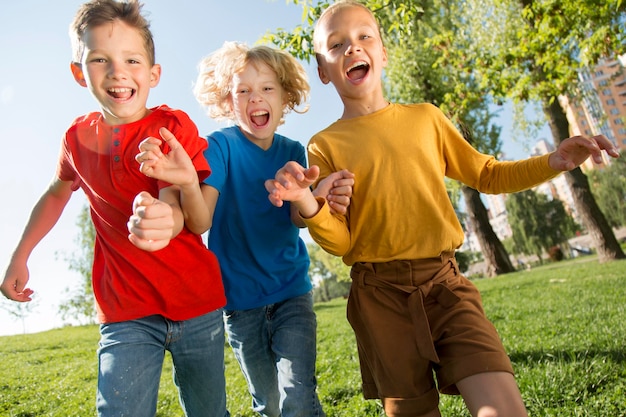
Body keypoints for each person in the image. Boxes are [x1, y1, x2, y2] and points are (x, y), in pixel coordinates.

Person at [264, 1, 622, 417]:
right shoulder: (324, 146)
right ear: (323, 70)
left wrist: (552, 162)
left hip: (445, 285)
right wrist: (309, 203)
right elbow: (342, 239)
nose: (352, 48)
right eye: (337, 44)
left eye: (364, 37)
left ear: (383, 53)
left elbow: (487, 174)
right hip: (378, 299)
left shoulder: (427, 119)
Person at [0, 1, 229, 416]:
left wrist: (168, 216)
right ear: (78, 71)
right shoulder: (75, 138)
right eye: (100, 59)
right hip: (125, 310)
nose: (118, 71)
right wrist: (20, 255)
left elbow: (193, 216)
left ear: (154, 73)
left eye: (132, 60)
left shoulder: (171, 127)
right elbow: (57, 193)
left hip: (197, 302)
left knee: (209, 411)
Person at [135, 41, 354, 417]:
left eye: (267, 88)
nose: (256, 98)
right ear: (226, 100)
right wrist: (188, 183)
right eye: (243, 90)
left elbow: (298, 219)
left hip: (291, 293)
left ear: (285, 96)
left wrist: (307, 196)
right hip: (240, 304)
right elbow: (200, 221)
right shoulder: (219, 146)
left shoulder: (293, 150)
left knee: (298, 396)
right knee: (269, 404)